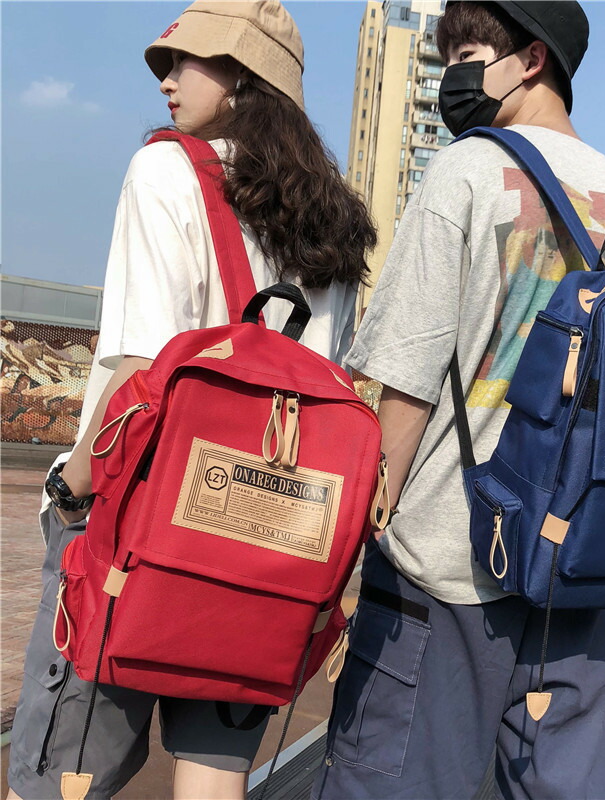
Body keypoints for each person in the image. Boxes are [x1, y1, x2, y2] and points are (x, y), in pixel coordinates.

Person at [6, 2, 376, 798]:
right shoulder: (334, 217)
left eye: (185, 61)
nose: (166, 81)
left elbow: (139, 369)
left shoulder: (168, 171)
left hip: (139, 524)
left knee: (64, 775)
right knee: (213, 779)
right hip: (269, 539)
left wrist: (68, 490)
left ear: (244, 75)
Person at [313, 2, 605, 799]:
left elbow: (406, 381)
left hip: (445, 565)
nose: (454, 76)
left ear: (532, 59)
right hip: (573, 570)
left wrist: (351, 542)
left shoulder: (465, 169)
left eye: (467, 53)